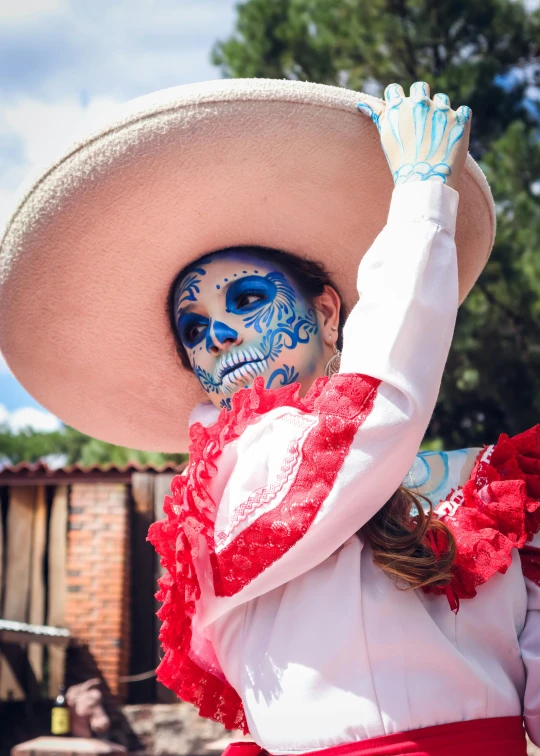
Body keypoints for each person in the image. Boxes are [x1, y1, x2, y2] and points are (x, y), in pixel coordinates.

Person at [0, 78, 535, 755]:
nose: (216, 336)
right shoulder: (239, 476)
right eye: (193, 329)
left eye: (247, 299)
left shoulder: (487, 493)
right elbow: (373, 419)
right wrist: (422, 197)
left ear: (328, 313)